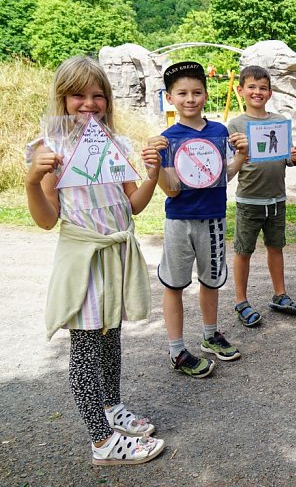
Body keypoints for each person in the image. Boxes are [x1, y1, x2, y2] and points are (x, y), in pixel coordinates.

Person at [25, 55, 165, 465]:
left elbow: (133, 204)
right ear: (62, 99)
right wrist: (33, 179)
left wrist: (153, 175)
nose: (88, 104)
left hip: (116, 256)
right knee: (86, 348)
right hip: (84, 259)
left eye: (97, 96)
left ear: (108, 101)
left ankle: (111, 408)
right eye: (77, 96)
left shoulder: (113, 145)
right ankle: (103, 441)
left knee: (110, 339)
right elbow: (47, 219)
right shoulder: (49, 149)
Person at [156, 61, 248, 378]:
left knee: (211, 280)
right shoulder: (166, 139)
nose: (190, 99)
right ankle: (177, 350)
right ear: (170, 98)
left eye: (197, 92)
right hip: (179, 219)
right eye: (182, 93)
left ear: (206, 94)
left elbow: (224, 175)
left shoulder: (219, 132)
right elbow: (171, 190)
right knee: (175, 284)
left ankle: (210, 335)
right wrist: (154, 166)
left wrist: (241, 157)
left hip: (212, 218)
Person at [227, 66, 296, 326]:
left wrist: (294, 157)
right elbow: (231, 162)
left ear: (269, 93)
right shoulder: (235, 124)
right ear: (241, 90)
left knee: (276, 247)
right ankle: (241, 301)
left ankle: (280, 294)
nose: (257, 92)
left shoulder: (279, 121)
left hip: (277, 199)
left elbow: (286, 157)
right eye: (252, 87)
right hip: (249, 200)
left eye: (262, 88)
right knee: (243, 251)